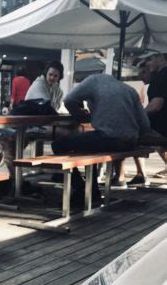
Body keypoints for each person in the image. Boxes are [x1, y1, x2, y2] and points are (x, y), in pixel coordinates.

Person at [52, 73, 151, 206]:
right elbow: (145, 124)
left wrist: (82, 117)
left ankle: (82, 189)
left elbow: (69, 100)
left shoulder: (93, 80)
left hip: (108, 137)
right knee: (90, 146)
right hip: (130, 142)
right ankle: (91, 191)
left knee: (58, 145)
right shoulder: (129, 90)